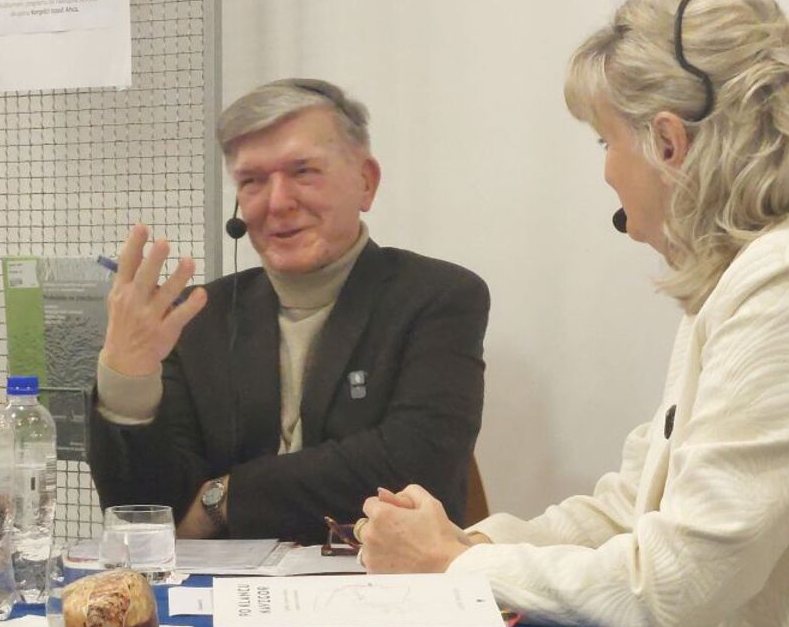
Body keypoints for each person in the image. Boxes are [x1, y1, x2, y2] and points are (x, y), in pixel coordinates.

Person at [358, 0, 789, 627]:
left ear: (669, 143)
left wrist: (457, 567)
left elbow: (676, 581)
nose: (606, 171)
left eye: (605, 141)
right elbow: (631, 506)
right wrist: (471, 547)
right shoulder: (743, 280)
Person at [88, 78, 489, 544]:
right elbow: (148, 518)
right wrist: (126, 382)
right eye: (252, 181)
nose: (277, 203)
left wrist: (224, 497)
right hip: (220, 587)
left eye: (304, 172)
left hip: (386, 577)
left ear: (365, 182)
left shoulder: (437, 298)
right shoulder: (196, 317)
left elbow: (413, 468)